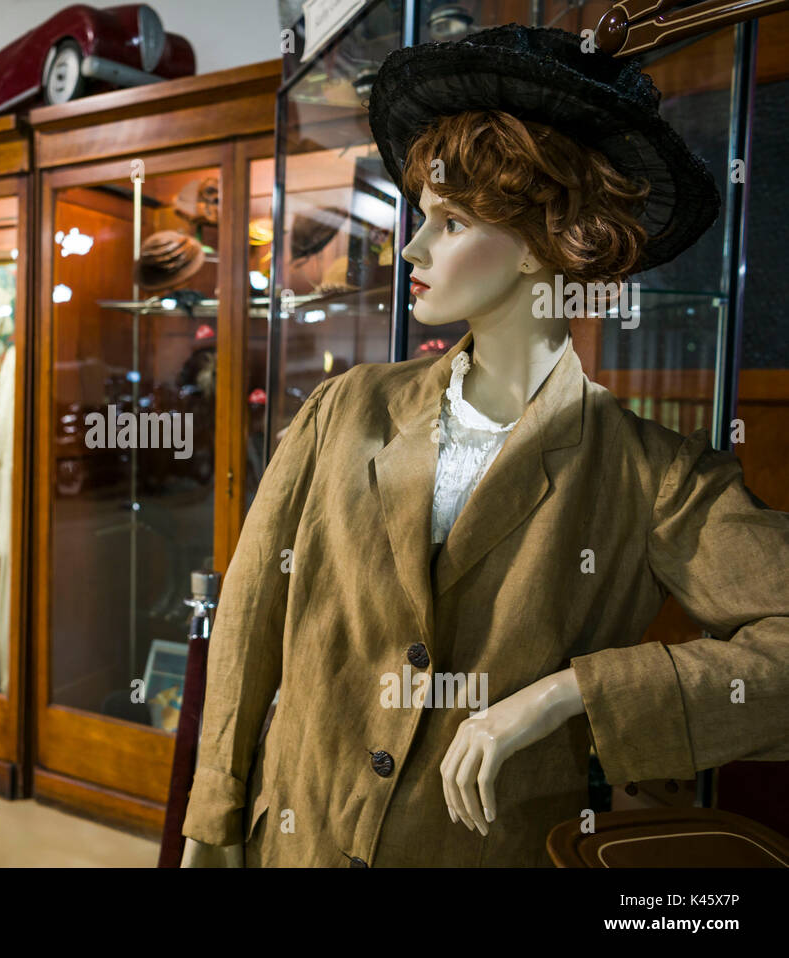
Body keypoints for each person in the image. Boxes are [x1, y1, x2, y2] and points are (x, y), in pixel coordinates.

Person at [181, 24, 788, 867]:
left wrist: (572, 694)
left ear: (549, 241)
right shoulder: (342, 412)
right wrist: (212, 824)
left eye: (453, 220)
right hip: (297, 838)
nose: (413, 248)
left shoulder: (651, 473)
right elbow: (249, 623)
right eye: (422, 216)